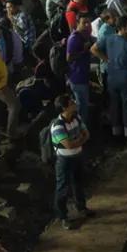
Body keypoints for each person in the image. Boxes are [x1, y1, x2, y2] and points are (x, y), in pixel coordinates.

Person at [47, 96, 92, 228]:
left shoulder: (76, 118)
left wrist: (77, 142)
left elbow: (86, 134)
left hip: (77, 156)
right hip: (64, 160)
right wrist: (79, 140)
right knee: (63, 188)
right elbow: (69, 145)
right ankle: (63, 217)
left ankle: (82, 208)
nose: (75, 104)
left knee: (78, 183)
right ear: (64, 108)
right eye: (71, 103)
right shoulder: (57, 126)